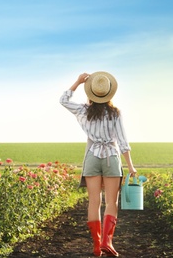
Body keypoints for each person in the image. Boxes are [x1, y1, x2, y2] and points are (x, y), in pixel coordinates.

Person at [59, 71, 137, 257]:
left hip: (92, 156)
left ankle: (96, 246)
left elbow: (63, 100)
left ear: (91, 93)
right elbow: (123, 142)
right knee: (112, 202)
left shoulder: (84, 111)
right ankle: (107, 242)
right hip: (111, 156)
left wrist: (77, 82)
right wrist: (131, 167)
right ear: (109, 93)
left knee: (94, 202)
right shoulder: (115, 113)